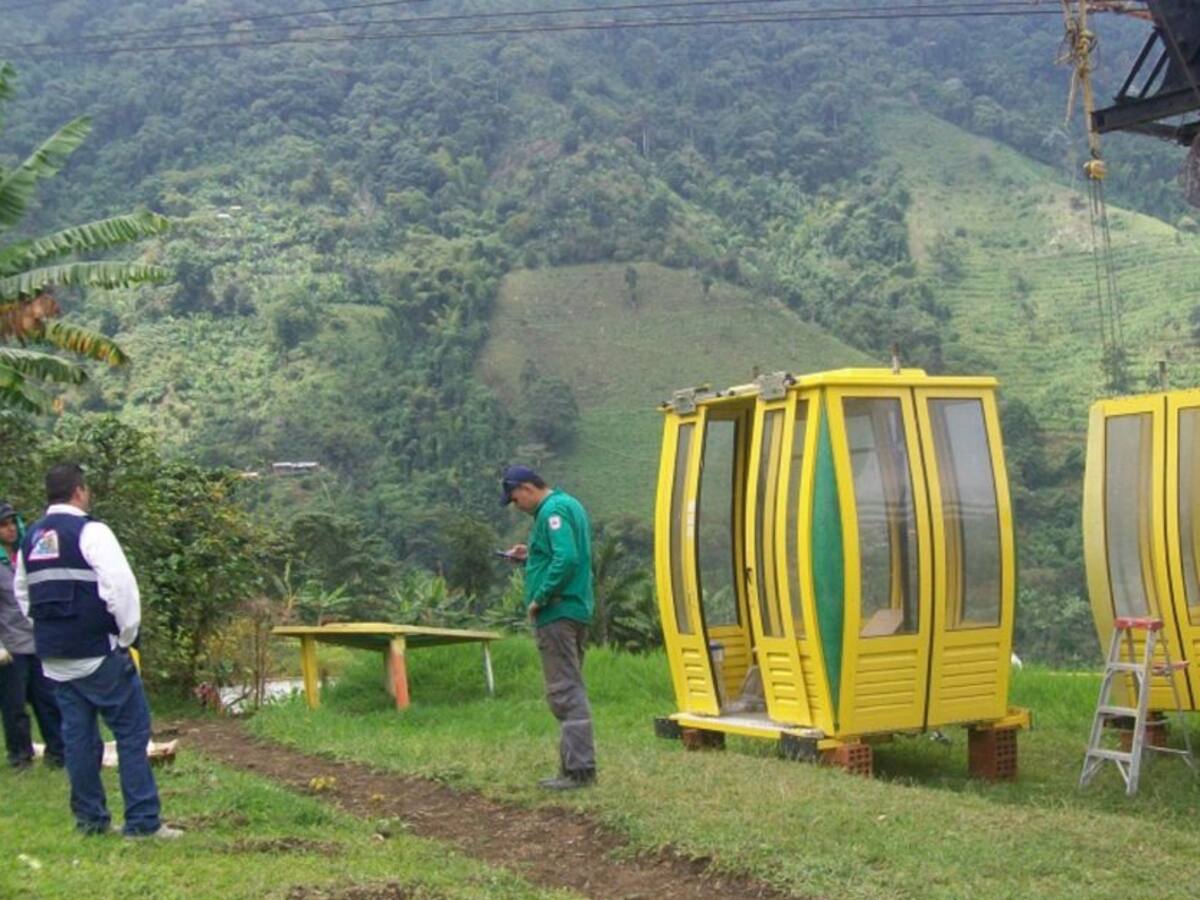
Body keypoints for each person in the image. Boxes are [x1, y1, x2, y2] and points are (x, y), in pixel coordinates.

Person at [14, 464, 181, 838]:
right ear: (79, 491)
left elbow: (23, 596)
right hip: (97, 652)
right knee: (132, 731)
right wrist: (125, 637)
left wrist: (50, 636)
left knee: (77, 739)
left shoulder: (31, 539)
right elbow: (121, 589)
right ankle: (142, 822)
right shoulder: (91, 531)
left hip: (56, 659)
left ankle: (90, 822)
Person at [501, 465, 597, 790]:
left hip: (557, 611)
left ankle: (579, 771)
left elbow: (567, 558)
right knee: (570, 683)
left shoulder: (551, 511)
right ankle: (572, 767)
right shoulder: (568, 504)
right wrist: (531, 556)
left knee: (565, 689)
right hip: (576, 607)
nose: (517, 506)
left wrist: (539, 598)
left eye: (515, 499)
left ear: (527, 488)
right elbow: (561, 552)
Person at [0, 501, 64, 770]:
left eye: (13, 523)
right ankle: (20, 757)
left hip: (38, 640)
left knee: (48, 701)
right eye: (3, 525)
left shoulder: (27, 554)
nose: (10, 529)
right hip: (10, 645)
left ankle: (58, 753)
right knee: (14, 707)